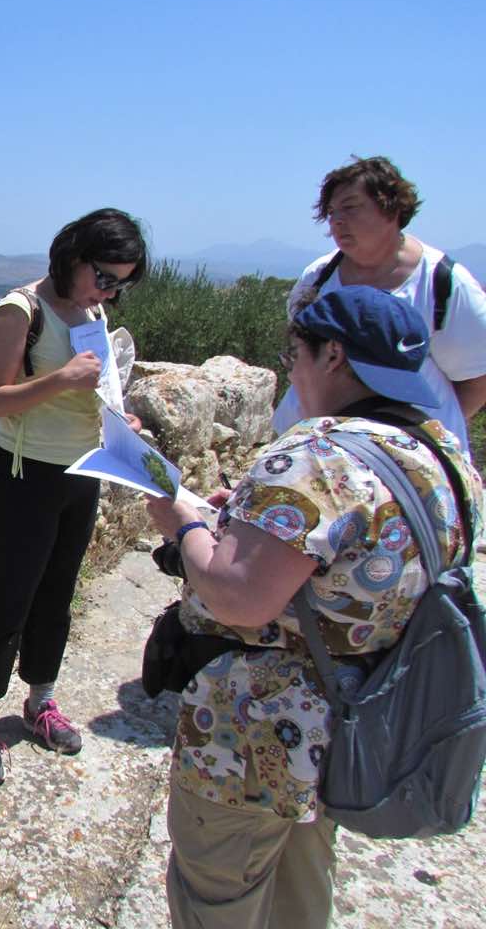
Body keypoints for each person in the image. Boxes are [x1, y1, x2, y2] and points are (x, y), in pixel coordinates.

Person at [145, 284, 484, 927]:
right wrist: (248, 520)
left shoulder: (314, 456)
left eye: (294, 351)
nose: (290, 368)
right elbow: (356, 557)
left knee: (217, 894)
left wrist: (182, 522)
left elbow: (238, 595)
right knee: (301, 890)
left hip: (255, 731)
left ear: (332, 355)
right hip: (354, 714)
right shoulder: (440, 451)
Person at [0, 208, 147, 784]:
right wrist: (61, 379)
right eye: (106, 277)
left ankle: (40, 701)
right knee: (10, 598)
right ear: (72, 256)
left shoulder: (90, 311)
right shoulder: (21, 310)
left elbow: (94, 393)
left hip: (81, 470)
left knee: (57, 593)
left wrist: (121, 421)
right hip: (21, 473)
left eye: (123, 283)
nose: (111, 293)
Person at [274, 155, 486, 456]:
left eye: (349, 207)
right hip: (320, 450)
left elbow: (476, 379)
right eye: (331, 211)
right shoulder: (318, 278)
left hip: (407, 457)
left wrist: (420, 433)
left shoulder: (444, 283)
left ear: (391, 208)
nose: (336, 221)